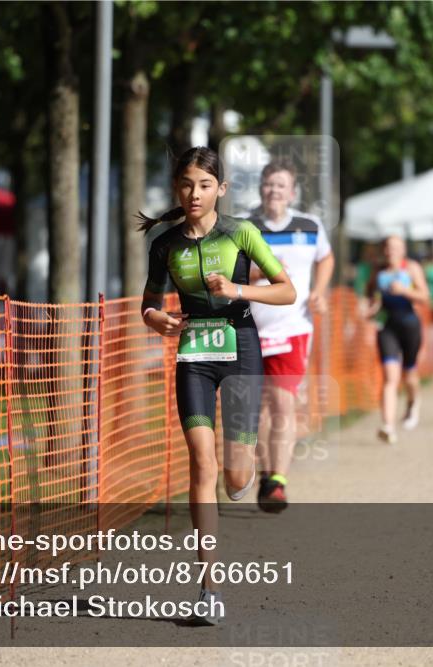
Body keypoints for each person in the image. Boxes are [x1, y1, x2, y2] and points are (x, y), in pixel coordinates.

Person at [139, 146, 295, 623]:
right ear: (177, 190)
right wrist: (158, 320)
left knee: (234, 475)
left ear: (221, 190)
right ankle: (209, 587)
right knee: (201, 466)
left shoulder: (241, 233)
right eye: (187, 185)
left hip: (242, 349)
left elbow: (287, 290)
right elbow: (147, 304)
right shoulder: (165, 244)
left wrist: (237, 290)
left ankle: (245, 475)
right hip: (194, 357)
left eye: (205, 185)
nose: (195, 193)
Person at [243, 159, 334, 513]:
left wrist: (321, 291)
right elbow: (228, 270)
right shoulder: (244, 227)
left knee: (283, 402)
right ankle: (268, 473)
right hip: (250, 328)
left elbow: (325, 259)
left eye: (281, 185)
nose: (274, 190)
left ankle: (278, 480)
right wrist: (259, 273)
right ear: (261, 189)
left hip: (293, 327)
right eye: (268, 184)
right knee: (260, 407)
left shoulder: (309, 226)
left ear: (292, 192)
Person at [365, 236, 430, 444]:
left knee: (409, 374)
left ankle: (413, 402)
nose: (389, 251)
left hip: (410, 325)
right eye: (386, 247)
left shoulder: (411, 268)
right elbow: (370, 293)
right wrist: (373, 306)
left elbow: (424, 296)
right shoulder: (378, 271)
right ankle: (388, 426)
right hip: (387, 327)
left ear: (403, 250)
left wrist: (404, 291)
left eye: (394, 247)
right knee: (389, 377)